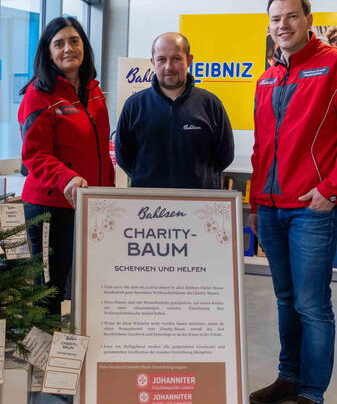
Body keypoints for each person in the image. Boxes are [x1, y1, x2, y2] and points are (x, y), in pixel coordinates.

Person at [248, 0, 337, 404]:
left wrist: (332, 189)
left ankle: (313, 400)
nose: (282, 25)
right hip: (271, 206)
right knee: (285, 300)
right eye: (275, 19)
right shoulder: (267, 78)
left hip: (311, 209)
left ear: (308, 20)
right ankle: (289, 378)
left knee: (312, 305)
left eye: (291, 17)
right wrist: (255, 199)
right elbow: (263, 146)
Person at [18, 17, 115, 307]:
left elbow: (99, 150)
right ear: (48, 52)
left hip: (89, 204)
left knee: (85, 284)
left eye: (74, 41)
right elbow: (35, 154)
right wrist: (66, 178)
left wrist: (106, 192)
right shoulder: (38, 95)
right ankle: (43, 349)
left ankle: (71, 347)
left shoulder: (93, 92)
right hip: (51, 207)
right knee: (50, 289)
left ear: (84, 45)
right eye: (59, 43)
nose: (68, 48)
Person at [115, 32, 234, 189]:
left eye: (176, 59)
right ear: (153, 62)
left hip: (199, 206)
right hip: (148, 207)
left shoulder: (210, 104)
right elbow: (124, 157)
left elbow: (225, 156)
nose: (168, 66)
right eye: (161, 59)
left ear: (189, 60)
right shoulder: (134, 106)